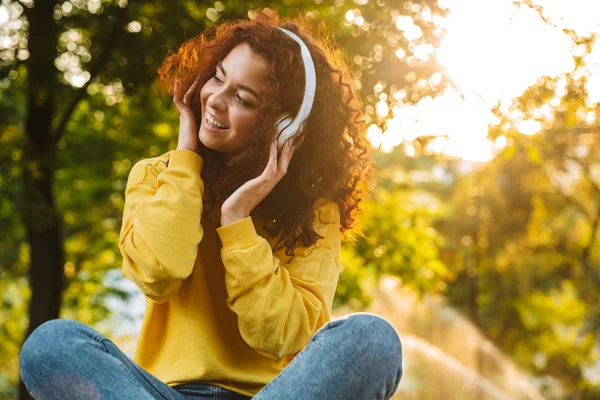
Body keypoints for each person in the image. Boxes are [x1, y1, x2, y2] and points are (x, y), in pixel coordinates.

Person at [19, 10, 403, 400]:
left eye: (243, 98)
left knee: (372, 340)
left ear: (283, 127)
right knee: (50, 344)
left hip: (271, 394)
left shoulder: (315, 211)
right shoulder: (155, 176)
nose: (215, 100)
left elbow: (282, 337)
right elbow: (159, 273)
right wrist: (186, 158)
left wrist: (236, 221)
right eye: (217, 77)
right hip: (160, 394)